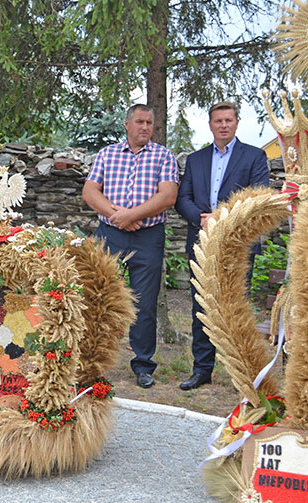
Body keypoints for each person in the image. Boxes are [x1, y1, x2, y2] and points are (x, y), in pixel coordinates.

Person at [82, 104, 179, 388]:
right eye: (139, 122)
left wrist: (131, 215)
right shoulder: (107, 154)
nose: (145, 127)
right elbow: (90, 191)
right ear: (127, 124)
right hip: (110, 234)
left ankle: (143, 365)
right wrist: (118, 216)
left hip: (148, 237)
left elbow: (168, 196)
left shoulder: (164, 156)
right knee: (99, 297)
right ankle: (92, 361)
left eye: (149, 122)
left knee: (144, 303)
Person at [174, 101, 269, 390]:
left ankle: (244, 377)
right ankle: (202, 370)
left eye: (228, 120)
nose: (223, 125)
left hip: (237, 246)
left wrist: (222, 218)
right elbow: (182, 199)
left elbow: (258, 197)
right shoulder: (196, 159)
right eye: (218, 120)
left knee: (236, 310)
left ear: (237, 123)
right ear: (211, 124)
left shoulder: (254, 156)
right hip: (202, 242)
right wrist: (200, 219)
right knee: (202, 308)